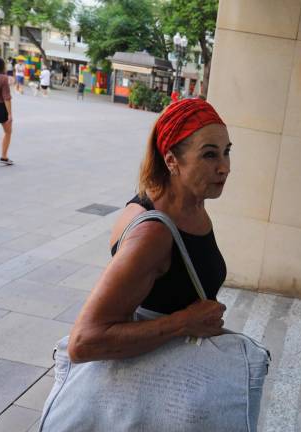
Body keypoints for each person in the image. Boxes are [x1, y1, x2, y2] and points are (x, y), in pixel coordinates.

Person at [68, 98, 231, 363]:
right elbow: (83, 342)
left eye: (227, 151)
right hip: (151, 384)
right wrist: (184, 322)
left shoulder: (190, 204)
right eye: (209, 154)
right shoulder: (153, 233)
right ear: (171, 160)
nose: (225, 167)